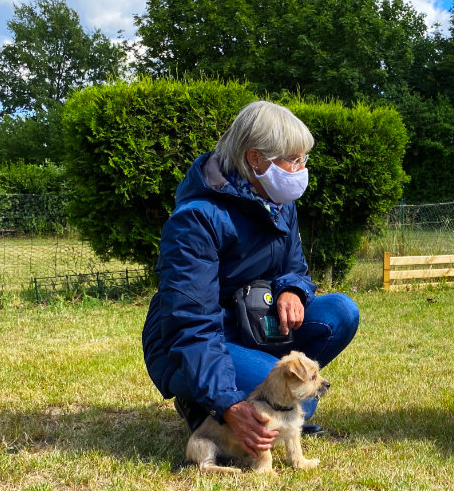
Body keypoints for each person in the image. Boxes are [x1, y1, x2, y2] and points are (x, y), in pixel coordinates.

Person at [143, 100, 359, 455]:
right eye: (293, 160)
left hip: (255, 320)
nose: (301, 169)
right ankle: (200, 402)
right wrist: (228, 405)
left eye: (304, 159)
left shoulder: (278, 199)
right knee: (303, 403)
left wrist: (292, 289)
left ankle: (236, 387)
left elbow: (294, 267)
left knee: (341, 312)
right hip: (191, 340)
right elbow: (192, 324)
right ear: (255, 159)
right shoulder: (195, 220)